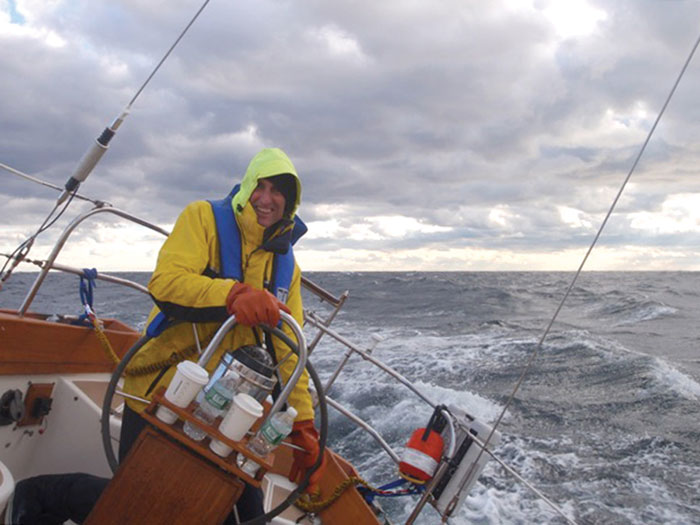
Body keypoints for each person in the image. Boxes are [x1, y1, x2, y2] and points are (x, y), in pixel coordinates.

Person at [9, 148, 325, 524]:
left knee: (234, 513)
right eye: (262, 186)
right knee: (139, 507)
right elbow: (166, 282)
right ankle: (41, 495)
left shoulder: (286, 268)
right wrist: (233, 294)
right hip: (160, 394)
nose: (267, 199)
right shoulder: (202, 218)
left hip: (224, 415)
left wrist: (304, 427)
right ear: (247, 187)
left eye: (279, 192)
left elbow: (290, 356)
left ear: (291, 202)